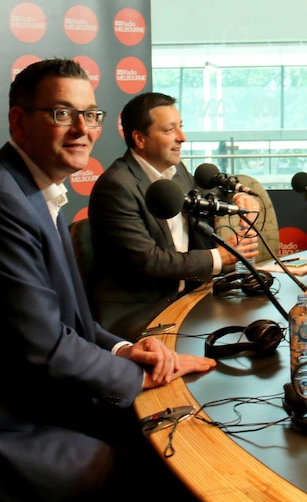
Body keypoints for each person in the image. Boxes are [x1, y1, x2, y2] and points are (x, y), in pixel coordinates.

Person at [0, 59, 216, 501]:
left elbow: (71, 322)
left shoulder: (34, 189)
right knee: (161, 468)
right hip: (2, 425)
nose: (83, 128)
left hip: (40, 400)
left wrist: (126, 350)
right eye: (62, 113)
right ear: (18, 122)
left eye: (91, 114)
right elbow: (45, 347)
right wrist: (142, 377)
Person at [88, 92, 260, 341]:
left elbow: (200, 195)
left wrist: (235, 198)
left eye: (181, 127)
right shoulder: (116, 187)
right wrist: (218, 257)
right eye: (170, 130)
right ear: (140, 139)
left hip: (187, 296)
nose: (182, 137)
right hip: (141, 313)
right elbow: (149, 262)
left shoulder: (176, 170)